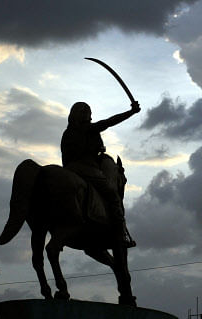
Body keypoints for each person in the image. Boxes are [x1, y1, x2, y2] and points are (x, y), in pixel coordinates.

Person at [60, 100, 140, 306]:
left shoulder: (67, 133)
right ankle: (119, 231)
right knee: (113, 195)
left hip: (69, 169)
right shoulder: (86, 128)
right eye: (88, 113)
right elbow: (109, 122)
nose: (90, 116)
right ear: (82, 115)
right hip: (86, 168)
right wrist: (131, 112)